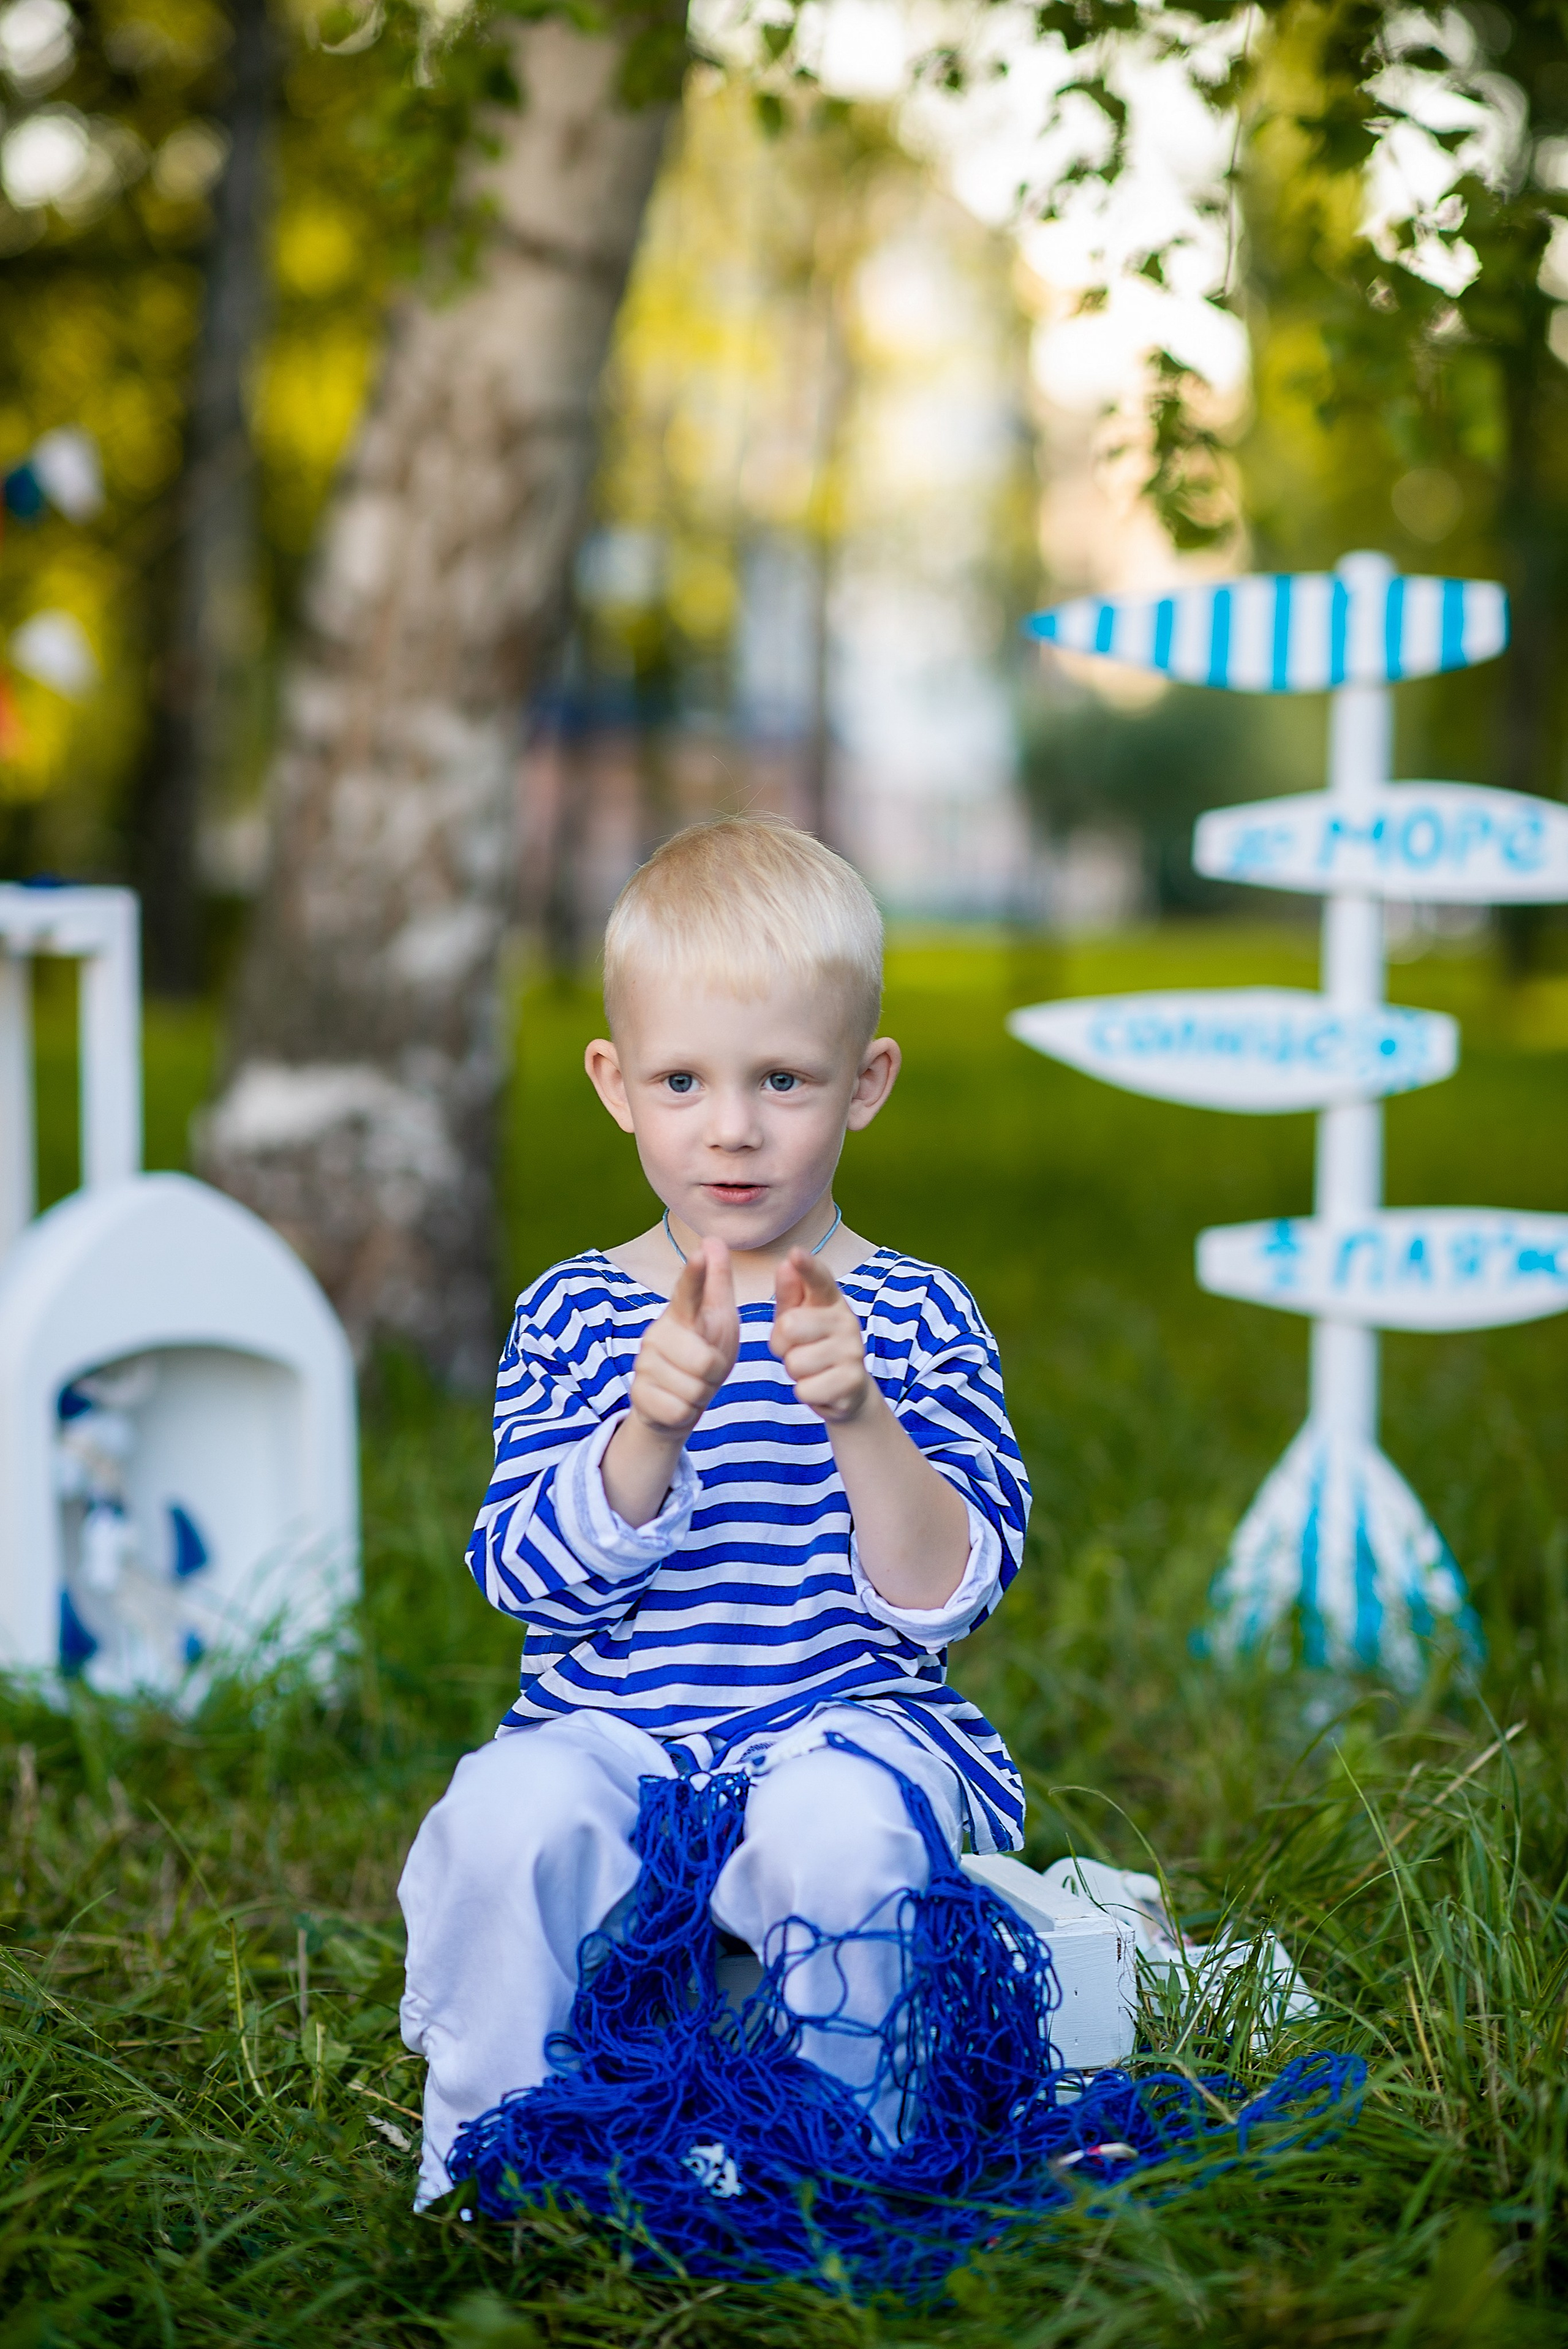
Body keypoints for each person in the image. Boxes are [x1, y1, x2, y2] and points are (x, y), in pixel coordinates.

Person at [398, 815, 1030, 2209]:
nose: (731, 1128)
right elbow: (523, 1576)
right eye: (682, 1079)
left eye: (782, 1079)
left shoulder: (918, 1315)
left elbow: (952, 1594)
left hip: (846, 1719)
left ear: (865, 1084)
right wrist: (647, 1431)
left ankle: (852, 2165)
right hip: (615, 1729)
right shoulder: (575, 1313)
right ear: (615, 1084)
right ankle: (494, 2159)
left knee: (843, 1833)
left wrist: (858, 1415)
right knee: (507, 1814)